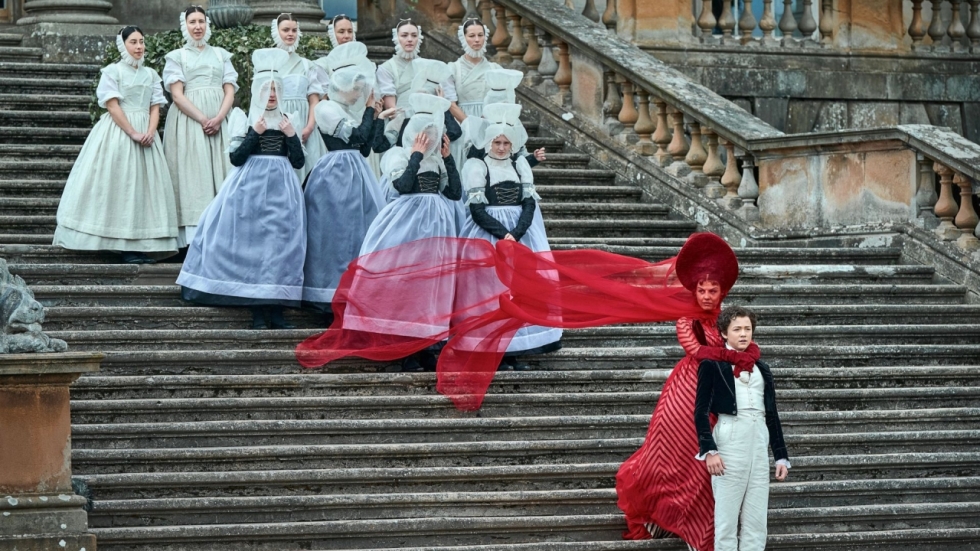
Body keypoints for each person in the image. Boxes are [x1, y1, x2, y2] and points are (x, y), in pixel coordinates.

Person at [616, 232, 759, 551]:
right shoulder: (687, 318)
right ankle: (666, 520)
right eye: (701, 290)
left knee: (709, 466)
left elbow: (744, 344)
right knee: (679, 458)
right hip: (686, 395)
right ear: (694, 290)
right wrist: (733, 357)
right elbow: (695, 350)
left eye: (713, 290)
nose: (706, 296)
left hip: (721, 394)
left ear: (722, 292)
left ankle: (703, 529)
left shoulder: (729, 319)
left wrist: (746, 354)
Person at [177, 48, 306, 330]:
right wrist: (254, 133)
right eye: (267, 89)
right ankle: (257, 311)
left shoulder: (289, 119)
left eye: (276, 88)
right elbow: (236, 158)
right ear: (258, 90)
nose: (272, 94)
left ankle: (277, 310)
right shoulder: (245, 118)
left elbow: (298, 161)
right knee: (254, 247)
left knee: (279, 248)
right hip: (251, 187)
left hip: (282, 189)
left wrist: (291, 135)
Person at [356, 93, 462, 371]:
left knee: (430, 285)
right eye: (423, 133)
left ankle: (426, 345)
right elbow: (402, 186)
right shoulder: (397, 155)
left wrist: (448, 159)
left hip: (436, 226)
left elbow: (454, 193)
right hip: (406, 222)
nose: (428, 139)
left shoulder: (437, 160)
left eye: (432, 134)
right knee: (404, 281)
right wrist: (415, 155)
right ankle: (401, 348)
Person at [53, 26, 178, 264]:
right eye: (133, 42)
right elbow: (112, 106)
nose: (139, 47)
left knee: (143, 189)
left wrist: (150, 132)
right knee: (120, 185)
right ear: (123, 45)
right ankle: (116, 242)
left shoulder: (151, 74)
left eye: (141, 42)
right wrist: (132, 132)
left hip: (146, 135)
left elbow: (155, 106)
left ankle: (140, 244)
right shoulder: (113, 72)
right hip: (119, 134)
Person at [458, 102, 560, 370]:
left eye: (505, 143)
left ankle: (514, 348)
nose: (501, 147)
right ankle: (492, 349)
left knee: (518, 290)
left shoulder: (520, 166)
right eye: (497, 142)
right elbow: (477, 210)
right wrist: (503, 234)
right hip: (488, 235)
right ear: (489, 142)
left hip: (520, 235)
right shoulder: (478, 166)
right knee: (491, 291)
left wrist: (517, 233)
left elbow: (529, 203)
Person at [302, 41, 397, 322]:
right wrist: (369, 111)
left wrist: (376, 117)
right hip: (335, 173)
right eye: (355, 88)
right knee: (333, 234)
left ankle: (356, 294)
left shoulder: (347, 110)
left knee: (359, 234)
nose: (358, 94)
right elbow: (355, 137)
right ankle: (326, 296)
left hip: (358, 172)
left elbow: (365, 148)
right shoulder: (326, 108)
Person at [694, 305, 789, 551]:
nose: (743, 334)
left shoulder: (762, 368)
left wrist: (780, 456)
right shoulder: (712, 365)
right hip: (730, 437)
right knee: (726, 520)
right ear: (724, 333)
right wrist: (709, 451)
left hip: (758, 439)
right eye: (737, 329)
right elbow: (701, 411)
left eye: (747, 328)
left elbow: (772, 414)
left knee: (757, 521)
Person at [163, 6, 238, 249]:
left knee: (222, 170)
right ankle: (192, 239)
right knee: (193, 175)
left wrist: (218, 118)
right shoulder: (177, 57)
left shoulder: (220, 55)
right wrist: (203, 119)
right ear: (185, 26)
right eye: (192, 22)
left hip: (219, 119)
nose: (198, 26)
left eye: (201, 21)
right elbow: (177, 95)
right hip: (189, 122)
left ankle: (222, 236)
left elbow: (229, 90)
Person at [270, 13, 330, 182]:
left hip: (304, 121)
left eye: (294, 30)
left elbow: (314, 100)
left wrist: (309, 128)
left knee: (308, 173)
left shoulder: (307, 65)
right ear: (276, 31)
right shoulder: (269, 63)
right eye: (286, 30)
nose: (290, 34)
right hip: (277, 121)